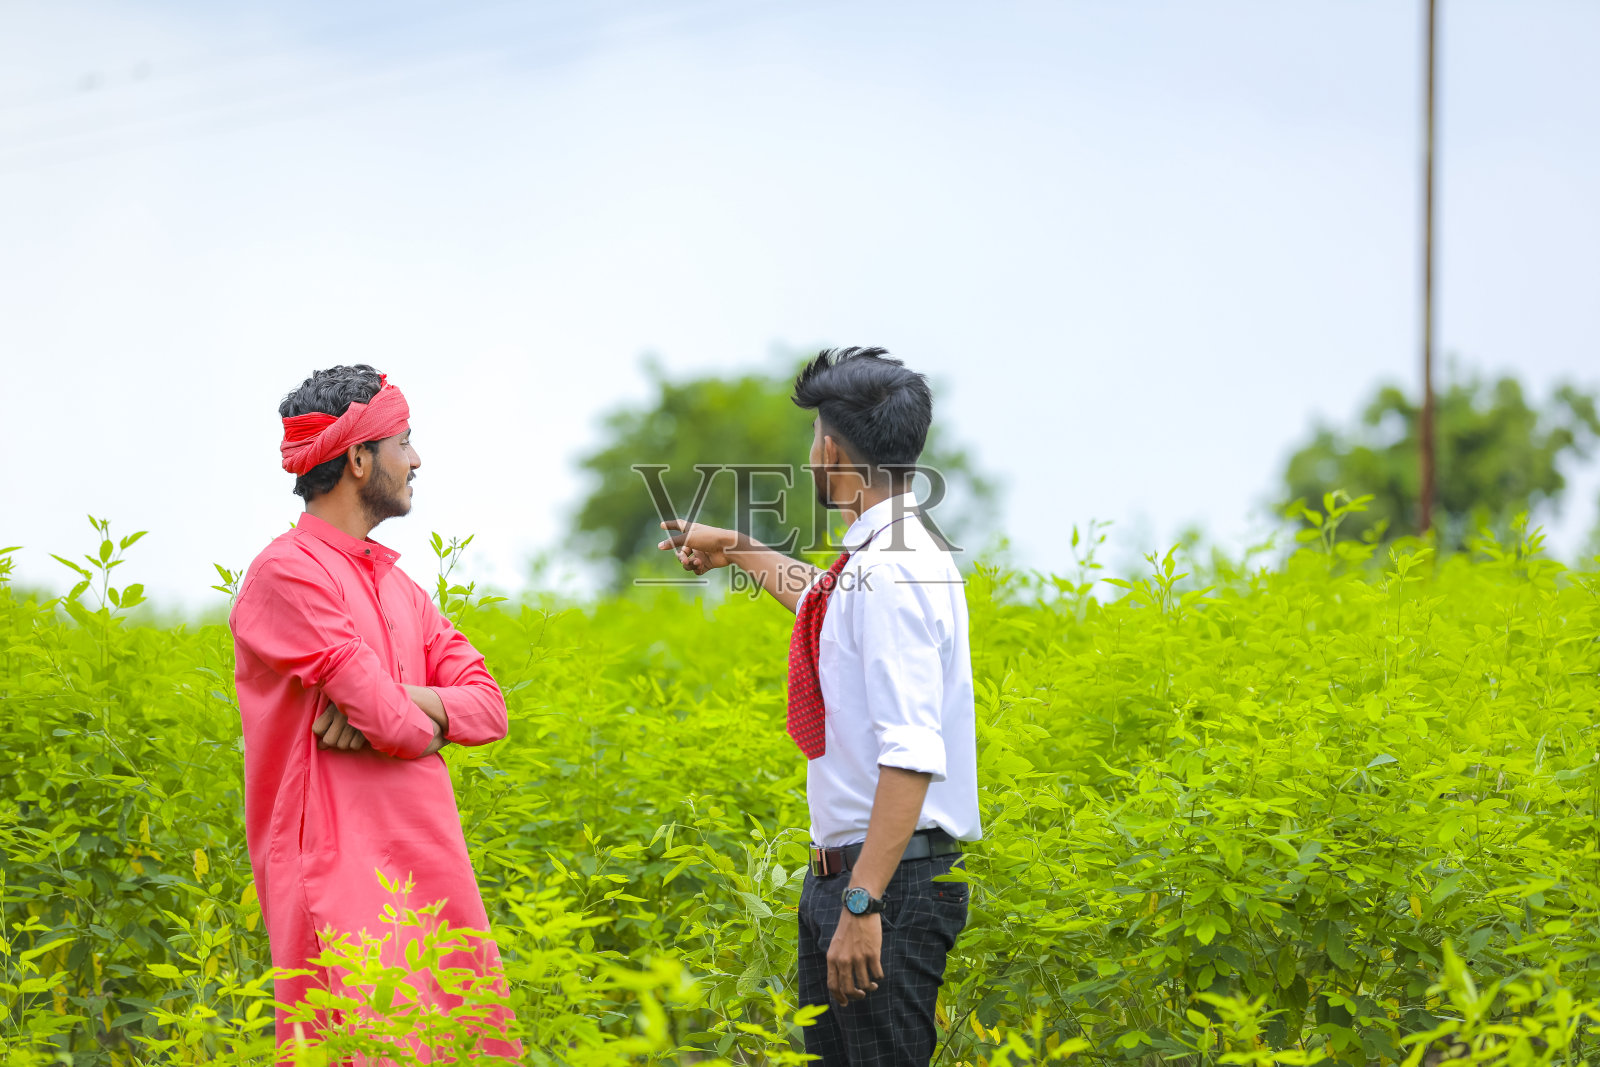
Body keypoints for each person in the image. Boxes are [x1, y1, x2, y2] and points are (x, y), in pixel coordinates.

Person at [659, 347, 981, 1067]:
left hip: (883, 888)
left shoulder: (891, 570)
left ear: (830, 448)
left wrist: (863, 904)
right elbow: (822, 601)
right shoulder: (883, 557)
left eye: (814, 439)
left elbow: (912, 754)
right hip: (858, 879)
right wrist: (739, 548)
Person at [228, 364, 517, 1056]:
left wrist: (404, 697)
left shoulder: (399, 586)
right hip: (339, 880)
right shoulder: (287, 574)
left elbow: (490, 709)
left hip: (433, 872)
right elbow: (393, 724)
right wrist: (406, 714)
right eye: (403, 442)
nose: (416, 459)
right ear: (359, 459)